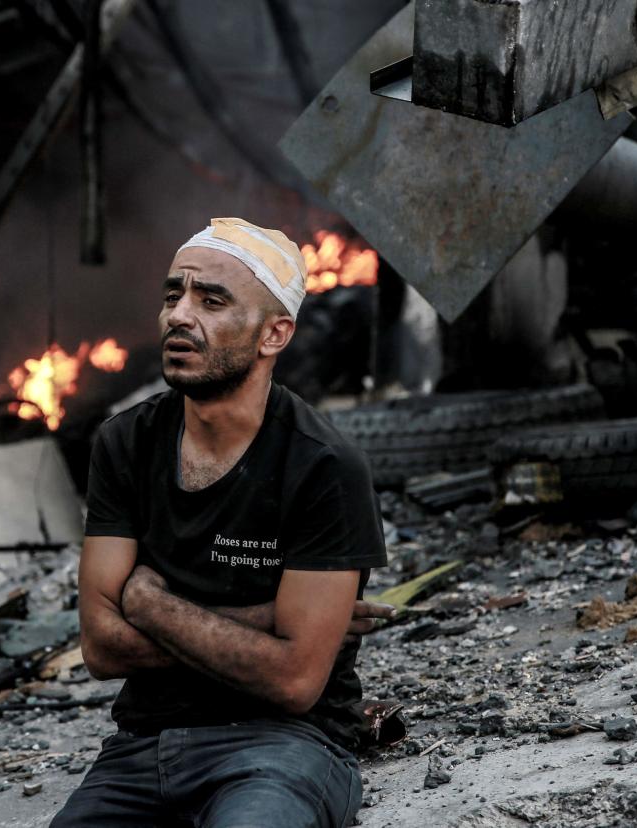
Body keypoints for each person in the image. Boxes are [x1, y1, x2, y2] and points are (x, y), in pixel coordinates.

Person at [51, 218, 392, 828]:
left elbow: (293, 680)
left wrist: (149, 605)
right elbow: (101, 647)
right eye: (172, 295)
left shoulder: (325, 466)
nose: (179, 316)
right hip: (139, 749)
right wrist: (265, 622)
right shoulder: (125, 443)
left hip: (285, 746)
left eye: (211, 301)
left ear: (274, 335)